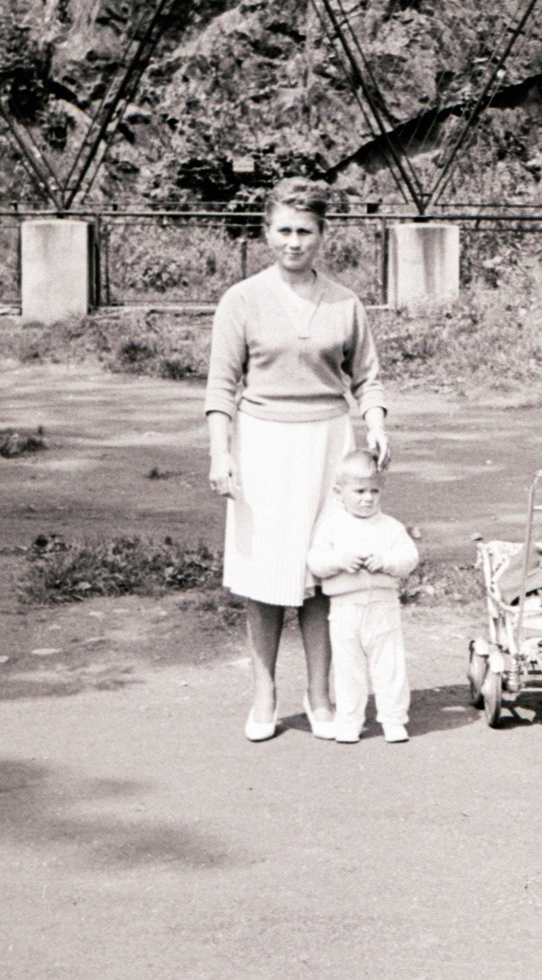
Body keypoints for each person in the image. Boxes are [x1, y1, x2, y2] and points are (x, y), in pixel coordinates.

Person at [204, 177, 389, 743]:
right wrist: (221, 453)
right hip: (263, 444)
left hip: (328, 445)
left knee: (320, 572)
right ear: (266, 233)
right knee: (265, 578)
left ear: (321, 236)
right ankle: (264, 693)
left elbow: (367, 377)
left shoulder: (344, 302)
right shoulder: (242, 300)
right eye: (283, 230)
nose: (293, 242)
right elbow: (221, 386)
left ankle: (320, 693)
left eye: (304, 232)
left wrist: (376, 421)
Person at [306, 450, 419, 743]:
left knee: (390, 666)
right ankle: (349, 721)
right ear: (339, 492)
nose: (368, 498)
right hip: (344, 608)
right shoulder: (331, 527)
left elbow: (409, 558)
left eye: (374, 491)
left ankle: (393, 719)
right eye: (359, 491)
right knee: (348, 669)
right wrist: (340, 561)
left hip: (383, 606)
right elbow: (316, 562)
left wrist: (386, 561)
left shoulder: (390, 527)